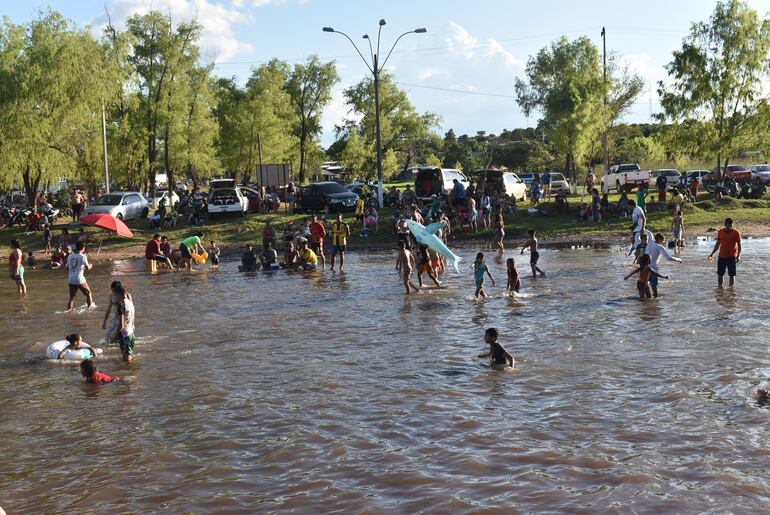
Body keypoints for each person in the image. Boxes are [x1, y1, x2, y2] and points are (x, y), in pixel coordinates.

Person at [645, 233, 682, 297]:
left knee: (645, 285)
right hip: (653, 269)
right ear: (659, 239)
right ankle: (655, 300)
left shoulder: (651, 242)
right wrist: (678, 259)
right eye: (663, 240)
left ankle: (646, 301)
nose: (663, 242)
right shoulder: (660, 247)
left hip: (645, 268)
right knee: (654, 287)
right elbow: (668, 258)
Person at [708, 217, 741, 287]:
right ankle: (720, 288)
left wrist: (738, 256)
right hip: (722, 256)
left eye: (731, 224)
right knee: (720, 274)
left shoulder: (736, 233)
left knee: (732, 275)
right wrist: (712, 253)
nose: (729, 226)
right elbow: (717, 244)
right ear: (725, 224)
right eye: (728, 224)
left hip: (732, 257)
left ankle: (731, 290)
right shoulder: (720, 232)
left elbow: (739, 245)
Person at [112, 283, 136, 362]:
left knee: (126, 360)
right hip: (131, 333)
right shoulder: (130, 302)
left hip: (124, 335)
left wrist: (114, 336)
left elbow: (121, 325)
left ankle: (129, 373)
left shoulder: (121, 305)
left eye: (115, 295)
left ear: (119, 294)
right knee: (129, 355)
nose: (114, 297)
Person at [66, 241, 93, 311]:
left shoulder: (70, 256)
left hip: (71, 279)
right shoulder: (83, 256)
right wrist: (91, 265)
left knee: (71, 298)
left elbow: (67, 268)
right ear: (83, 248)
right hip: (80, 280)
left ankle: (69, 312)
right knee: (89, 294)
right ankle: (90, 310)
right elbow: (88, 268)